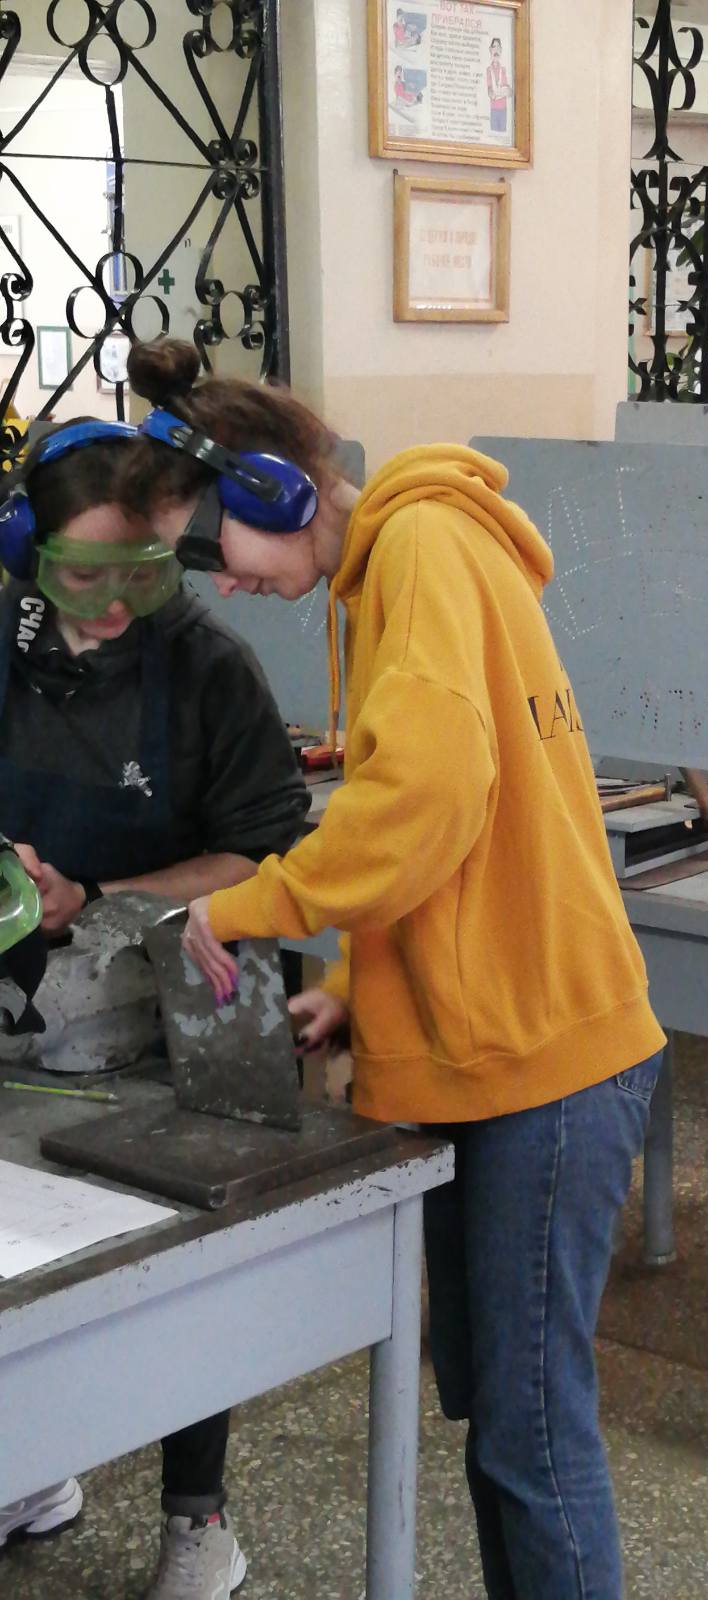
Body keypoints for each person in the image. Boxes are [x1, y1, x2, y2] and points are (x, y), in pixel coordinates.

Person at [116, 337, 666, 1600]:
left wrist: (251, 905)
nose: (222, 583)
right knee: (504, 1423)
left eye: (209, 549)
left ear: (271, 489)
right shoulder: (395, 570)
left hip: (545, 1064)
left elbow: (424, 800)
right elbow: (454, 836)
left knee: (534, 1437)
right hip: (512, 1044)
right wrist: (361, 991)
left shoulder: (418, 549)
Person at [0, 419, 310, 1598]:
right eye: (82, 575)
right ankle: (29, 1467)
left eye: (138, 570)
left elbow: (266, 854)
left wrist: (100, 897)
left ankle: (199, 1516)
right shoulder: (5, 641)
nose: (115, 602)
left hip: (182, 992)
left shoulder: (208, 664)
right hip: (28, 998)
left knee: (186, 1261)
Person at [486, 37, 512, 135]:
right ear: (490, 50)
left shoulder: (503, 70)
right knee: (494, 134)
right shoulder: (489, 70)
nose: (496, 50)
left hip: (503, 109)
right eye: (494, 47)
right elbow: (490, 91)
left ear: (501, 50)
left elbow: (509, 91)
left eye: (498, 47)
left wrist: (506, 91)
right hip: (494, 109)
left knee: (503, 133)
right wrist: (495, 93)